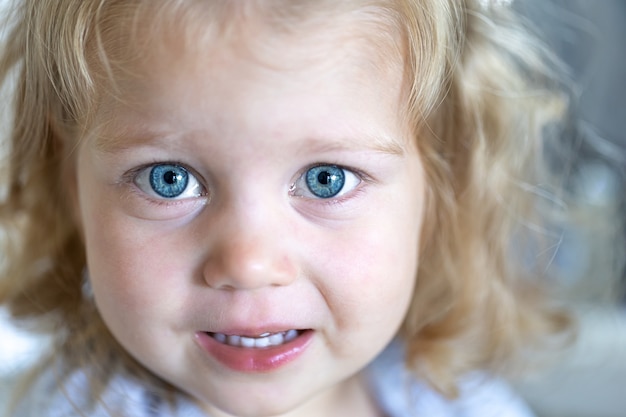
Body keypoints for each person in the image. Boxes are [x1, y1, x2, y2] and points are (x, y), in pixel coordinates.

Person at [0, 0, 571, 416]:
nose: (248, 263)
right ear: (70, 185)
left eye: (327, 180)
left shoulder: (460, 400)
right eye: (168, 179)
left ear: (436, 193)